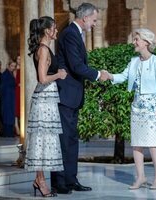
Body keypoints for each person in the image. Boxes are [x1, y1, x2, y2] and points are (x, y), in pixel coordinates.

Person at [51, 3, 108, 194]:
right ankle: (59, 181)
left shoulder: (75, 34)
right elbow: (76, 65)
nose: (94, 24)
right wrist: (98, 75)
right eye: (94, 20)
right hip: (66, 94)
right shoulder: (69, 34)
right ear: (85, 18)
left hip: (72, 95)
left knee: (72, 139)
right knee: (64, 140)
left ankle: (70, 179)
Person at [105, 28, 156, 189]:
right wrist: (109, 75)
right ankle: (141, 177)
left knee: (153, 143)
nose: (134, 42)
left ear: (146, 42)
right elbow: (123, 76)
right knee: (137, 143)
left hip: (152, 106)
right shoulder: (133, 61)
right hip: (137, 106)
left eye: (136, 39)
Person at [24, 16, 67, 197]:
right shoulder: (43, 50)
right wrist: (59, 74)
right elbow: (42, 78)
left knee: (44, 142)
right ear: (47, 31)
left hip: (48, 100)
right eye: (55, 28)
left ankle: (39, 179)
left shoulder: (45, 49)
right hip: (43, 101)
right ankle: (40, 181)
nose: (56, 31)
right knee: (41, 141)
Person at [0, 59, 16, 137]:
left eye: (14, 66)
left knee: (10, 114)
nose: (13, 67)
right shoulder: (5, 74)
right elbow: (2, 88)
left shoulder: (11, 74)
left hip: (11, 97)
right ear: (8, 66)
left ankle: (10, 133)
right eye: (12, 66)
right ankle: (7, 133)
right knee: (7, 115)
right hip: (7, 98)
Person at [13, 55, 21, 136]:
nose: (19, 60)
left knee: (21, 109)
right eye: (18, 59)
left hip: (22, 91)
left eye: (20, 59)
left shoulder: (23, 69)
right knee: (16, 109)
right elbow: (15, 81)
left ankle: (21, 127)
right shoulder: (15, 70)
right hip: (17, 90)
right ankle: (16, 127)